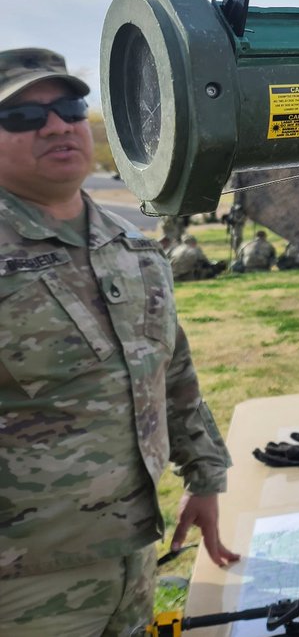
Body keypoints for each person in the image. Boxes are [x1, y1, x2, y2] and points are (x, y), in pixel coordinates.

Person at [0, 48, 240, 637]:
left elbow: (171, 372)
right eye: (24, 118)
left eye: (70, 108)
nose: (57, 125)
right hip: (23, 580)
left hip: (131, 552)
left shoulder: (129, 243)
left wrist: (204, 478)